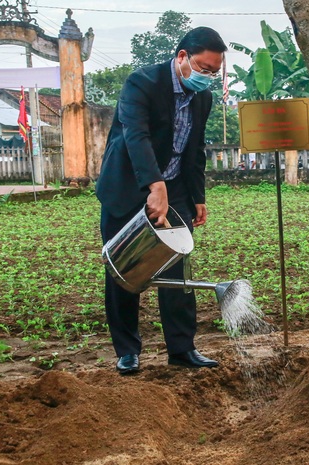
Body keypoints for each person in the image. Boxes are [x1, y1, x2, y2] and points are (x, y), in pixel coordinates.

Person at [96, 27, 227, 374]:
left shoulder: (203, 98)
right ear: (182, 57)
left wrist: (197, 197)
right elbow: (135, 136)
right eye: (203, 67)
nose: (208, 76)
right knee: (125, 268)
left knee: (178, 267)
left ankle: (182, 349)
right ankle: (127, 351)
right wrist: (155, 186)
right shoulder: (142, 83)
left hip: (176, 190)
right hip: (129, 187)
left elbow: (193, 150)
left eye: (214, 71)